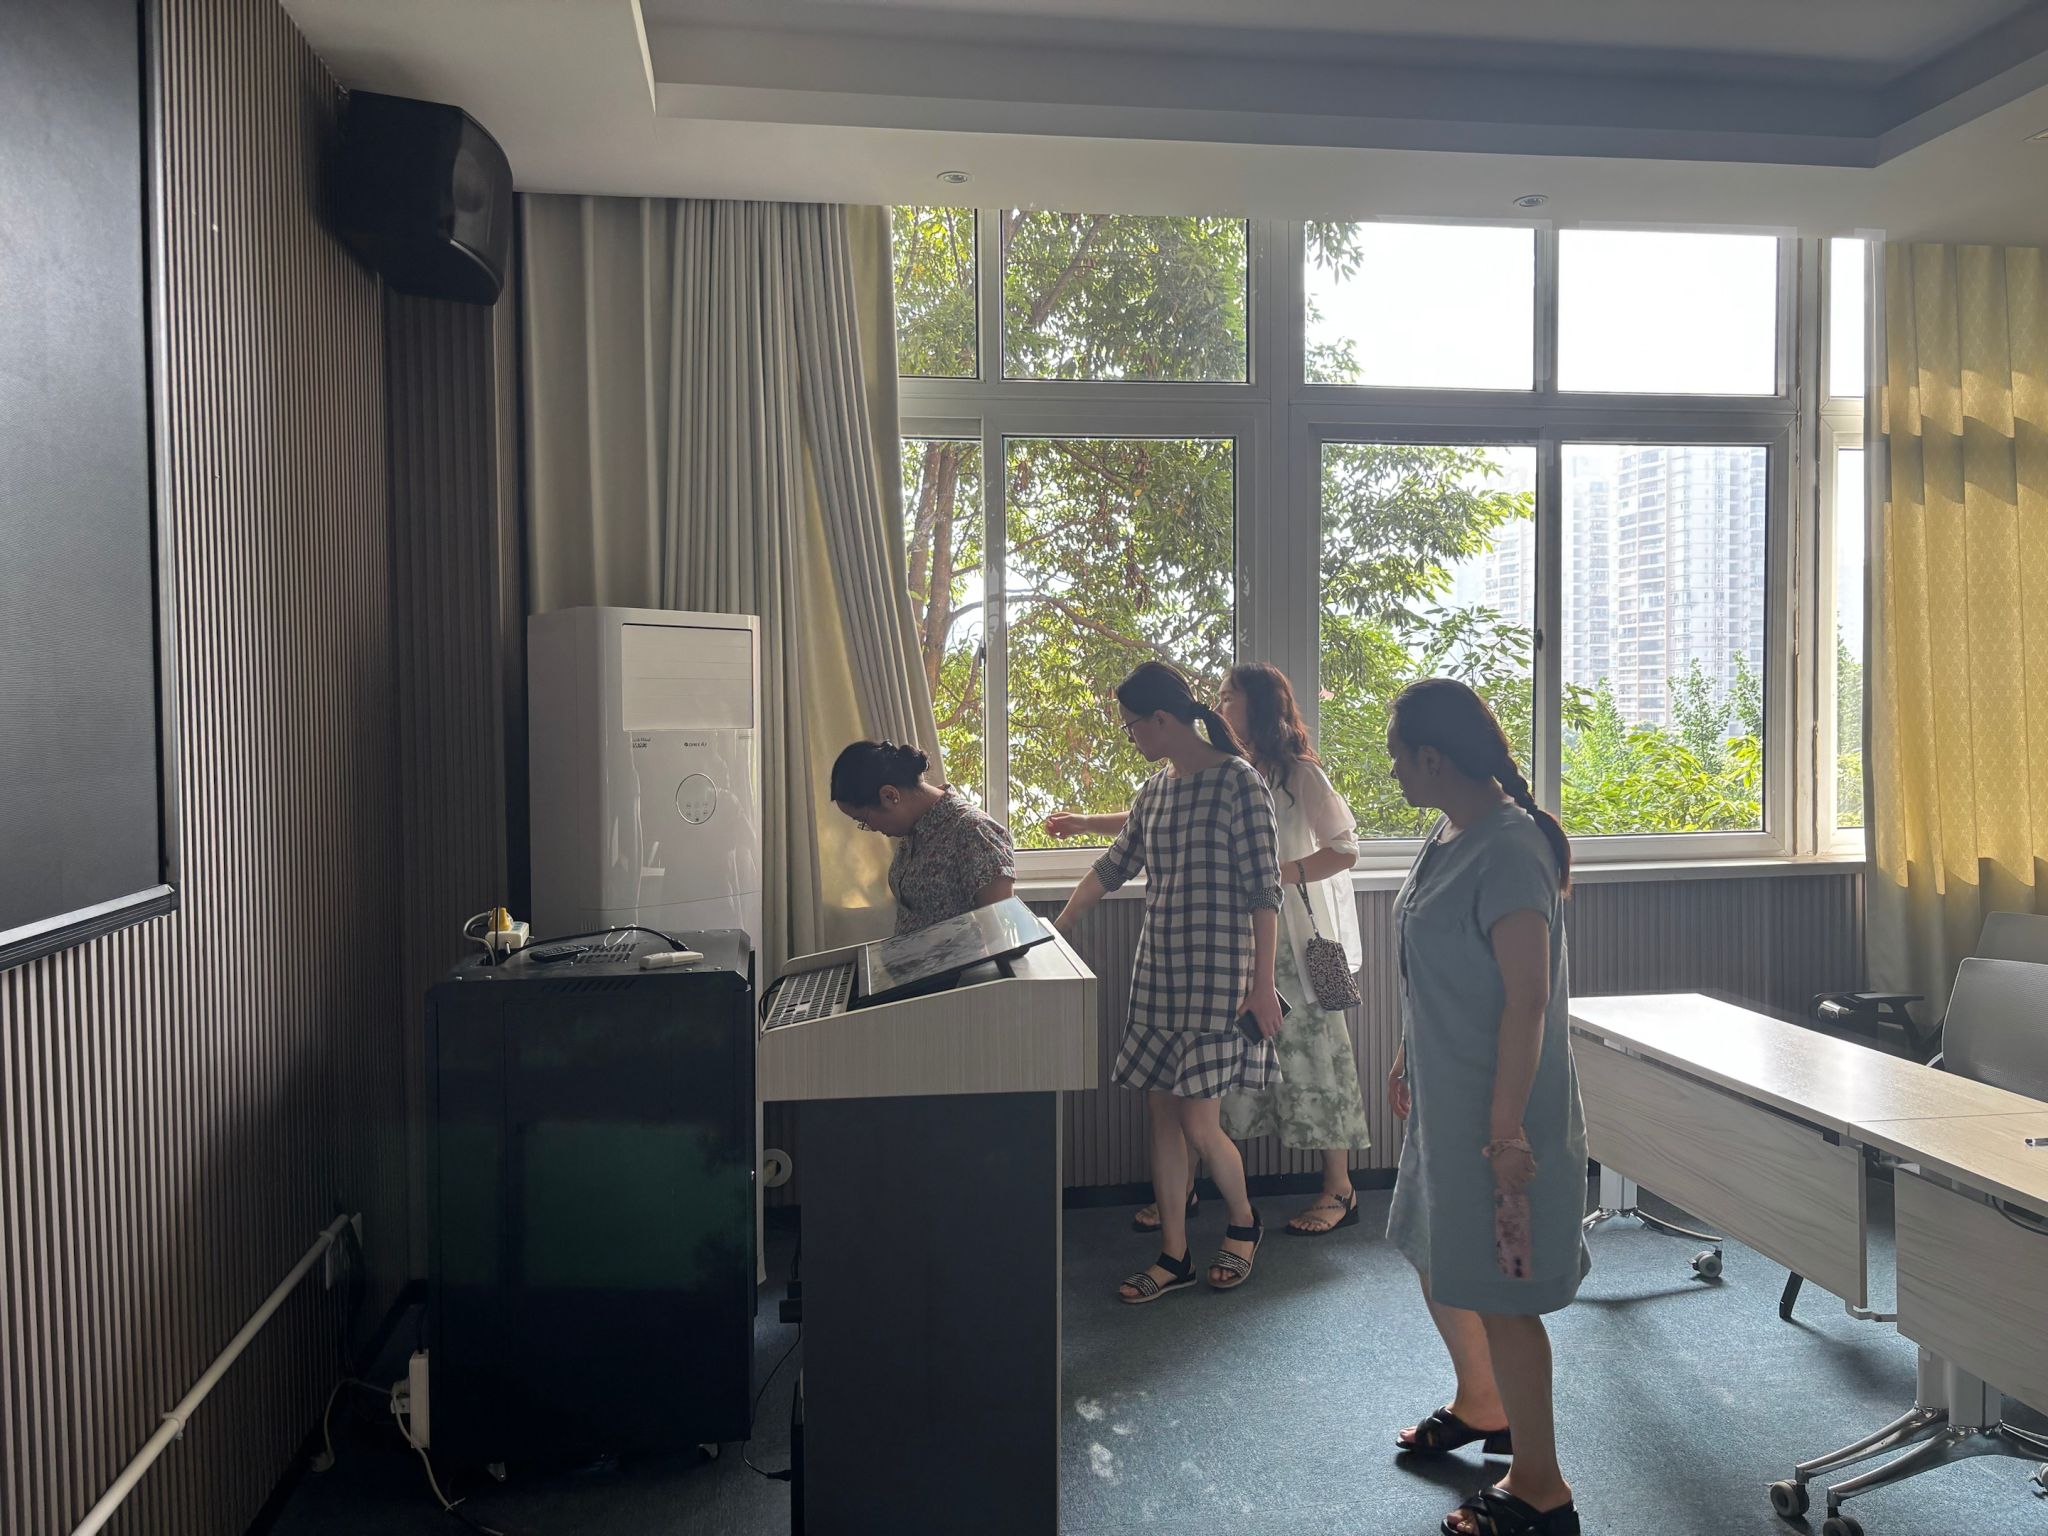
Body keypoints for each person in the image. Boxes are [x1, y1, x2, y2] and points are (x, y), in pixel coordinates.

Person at [1047, 664, 1372, 1236]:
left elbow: (1336, 851)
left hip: (1277, 943)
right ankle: (1182, 1197)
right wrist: (1079, 841)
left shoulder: (1282, 775)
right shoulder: (1181, 779)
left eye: (1229, 697)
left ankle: (1328, 1191)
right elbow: (1148, 828)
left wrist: (1273, 876)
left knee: (1309, 1064)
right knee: (1196, 1094)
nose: (1218, 705)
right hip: (1206, 953)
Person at [1383, 678, 1585, 1536]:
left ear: (1433, 758)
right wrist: (1407, 1051)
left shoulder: (1508, 850)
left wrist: (1505, 1129)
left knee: (1504, 1297)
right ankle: (1482, 1403)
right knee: (1437, 1255)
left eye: (1398, 757)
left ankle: (1541, 1488)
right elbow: (1433, 956)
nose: (1393, 772)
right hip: (1447, 1096)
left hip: (1501, 1116)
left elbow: (1527, 999)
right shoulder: (1448, 833)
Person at [1053, 660, 1282, 1301]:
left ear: (1161, 719)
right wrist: (1057, 928)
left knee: (1199, 1122)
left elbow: (1264, 892)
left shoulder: (1239, 782)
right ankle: (1174, 1254)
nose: (1130, 737)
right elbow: (1111, 868)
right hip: (1157, 975)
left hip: (1220, 978)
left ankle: (1244, 1223)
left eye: (1132, 726)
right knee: (1159, 1113)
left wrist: (1262, 985)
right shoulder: (1154, 791)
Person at [829, 739, 1014, 935]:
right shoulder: (913, 831)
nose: (871, 828)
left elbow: (999, 936)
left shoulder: (974, 832)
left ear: (890, 795)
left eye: (864, 820)